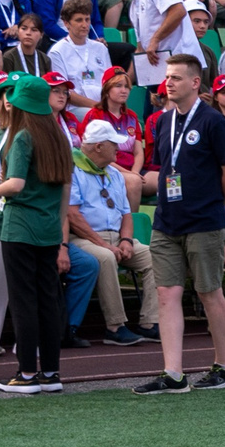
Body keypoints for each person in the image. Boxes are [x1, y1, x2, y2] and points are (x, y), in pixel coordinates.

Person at [136, 54, 225, 392]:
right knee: (166, 293)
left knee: (209, 292)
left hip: (204, 220)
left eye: (176, 77)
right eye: (167, 77)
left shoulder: (213, 121)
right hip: (167, 220)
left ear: (195, 82)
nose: (168, 82)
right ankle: (173, 373)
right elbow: (164, 168)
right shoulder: (163, 121)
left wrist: (214, 202)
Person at [0, 77, 73, 394]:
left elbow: (16, 184)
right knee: (48, 300)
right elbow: (65, 192)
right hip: (49, 228)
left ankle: (26, 374)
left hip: (19, 226)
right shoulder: (60, 138)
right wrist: (58, 228)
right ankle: (50, 372)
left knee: (23, 302)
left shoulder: (22, 137)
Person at [68, 120, 157, 344]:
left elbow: (126, 213)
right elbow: (73, 216)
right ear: (98, 146)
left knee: (155, 256)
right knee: (106, 257)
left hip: (116, 237)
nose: (119, 148)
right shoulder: (72, 170)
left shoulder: (114, 174)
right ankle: (115, 326)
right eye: (113, 144)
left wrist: (126, 240)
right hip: (83, 239)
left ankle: (150, 322)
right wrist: (104, 244)